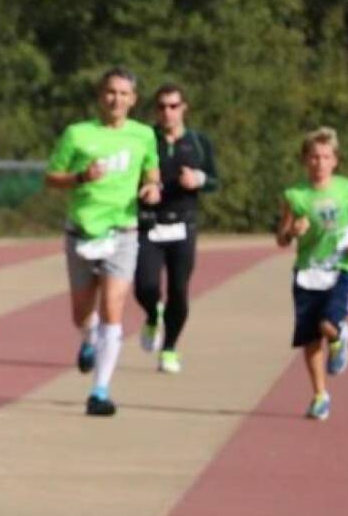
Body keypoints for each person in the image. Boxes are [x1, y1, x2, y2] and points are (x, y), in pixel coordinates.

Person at [45, 67, 162, 416]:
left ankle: (100, 391)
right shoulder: (77, 135)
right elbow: (52, 177)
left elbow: (151, 170)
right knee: (81, 314)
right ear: (100, 96)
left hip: (122, 232)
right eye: (111, 92)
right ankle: (88, 339)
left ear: (133, 100)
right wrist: (81, 176)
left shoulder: (143, 136)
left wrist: (152, 187)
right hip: (81, 232)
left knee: (114, 308)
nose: (116, 99)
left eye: (124, 94)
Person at [275, 127, 348, 421]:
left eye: (326, 157)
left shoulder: (346, 188)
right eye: (314, 157)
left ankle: (339, 337)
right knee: (310, 338)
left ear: (335, 161)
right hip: (307, 273)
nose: (320, 163)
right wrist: (292, 230)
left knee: (328, 325)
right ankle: (319, 395)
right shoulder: (295, 195)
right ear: (305, 160)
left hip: (340, 267)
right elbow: (281, 238)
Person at [134, 83, 219, 374]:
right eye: (161, 107)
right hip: (150, 224)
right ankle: (151, 314)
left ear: (184, 108)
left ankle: (169, 348)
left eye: (173, 106)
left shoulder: (198, 142)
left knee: (179, 291)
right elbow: (131, 176)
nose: (167, 112)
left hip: (183, 224)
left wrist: (198, 180)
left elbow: (214, 180)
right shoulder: (145, 139)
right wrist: (145, 188)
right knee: (145, 285)